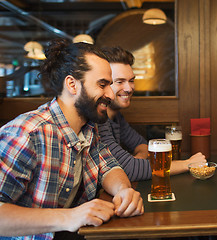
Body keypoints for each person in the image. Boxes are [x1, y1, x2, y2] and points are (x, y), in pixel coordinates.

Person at [0, 39, 144, 240]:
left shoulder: (88, 127)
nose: (111, 94)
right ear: (72, 84)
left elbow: (109, 166)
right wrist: (69, 217)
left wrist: (123, 191)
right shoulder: (27, 133)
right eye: (103, 84)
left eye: (110, 85)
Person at [98, 46, 206, 181]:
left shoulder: (116, 117)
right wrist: (187, 164)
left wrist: (136, 162)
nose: (129, 88)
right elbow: (130, 170)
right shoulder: (98, 121)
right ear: (104, 84)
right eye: (120, 82)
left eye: (131, 80)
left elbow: (142, 145)